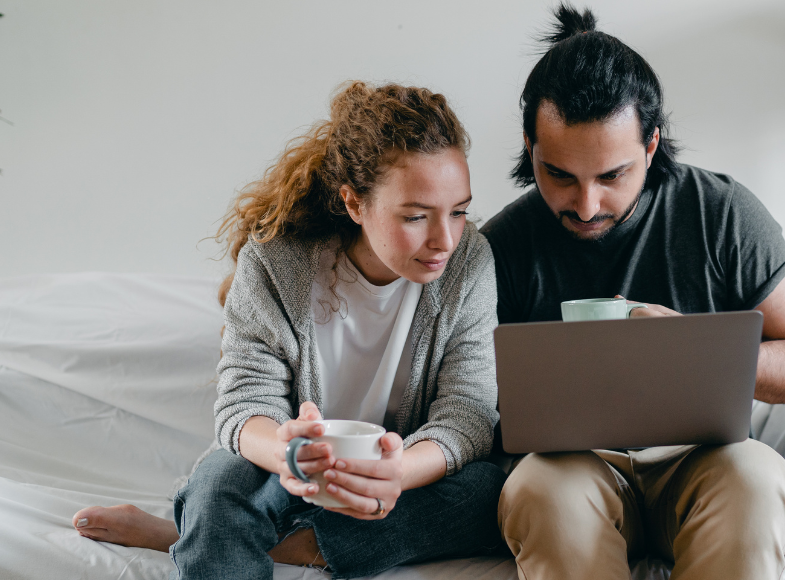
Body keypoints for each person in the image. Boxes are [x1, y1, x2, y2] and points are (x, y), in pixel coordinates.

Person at [72, 81, 506, 579]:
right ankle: (220, 529)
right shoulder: (276, 262)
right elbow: (242, 406)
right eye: (415, 216)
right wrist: (291, 455)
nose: (445, 239)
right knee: (219, 485)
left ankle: (225, 540)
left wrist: (396, 473)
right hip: (286, 467)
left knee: (486, 492)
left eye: (459, 211)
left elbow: (468, 411)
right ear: (354, 203)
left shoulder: (470, 262)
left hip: (399, 475)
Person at [480, 5, 785, 580]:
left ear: (651, 146)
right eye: (560, 175)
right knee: (541, 491)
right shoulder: (500, 245)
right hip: (571, 466)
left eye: (611, 175)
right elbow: (461, 395)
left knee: (758, 477)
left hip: (702, 462)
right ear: (531, 148)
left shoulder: (720, 213)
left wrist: (689, 350)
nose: (586, 205)